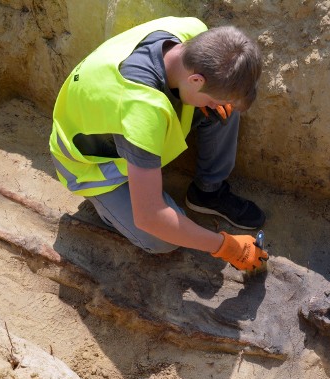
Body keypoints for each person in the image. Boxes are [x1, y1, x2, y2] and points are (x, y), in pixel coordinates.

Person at [49, 16, 267, 271]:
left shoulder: (193, 33)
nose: (213, 105)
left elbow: (209, 96)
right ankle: (110, 208)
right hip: (94, 166)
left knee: (226, 109)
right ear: (196, 80)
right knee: (161, 239)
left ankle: (208, 192)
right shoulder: (142, 109)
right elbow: (150, 217)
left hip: (130, 122)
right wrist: (225, 246)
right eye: (209, 98)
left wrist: (215, 101)